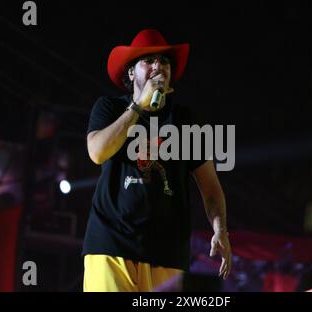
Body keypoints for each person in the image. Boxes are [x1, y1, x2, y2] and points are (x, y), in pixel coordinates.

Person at [82, 29, 231, 292]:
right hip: (111, 245)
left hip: (167, 253)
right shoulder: (109, 108)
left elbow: (210, 188)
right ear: (131, 72)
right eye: (148, 61)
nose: (158, 66)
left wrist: (221, 229)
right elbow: (97, 152)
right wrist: (139, 107)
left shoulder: (185, 120)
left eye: (164, 62)